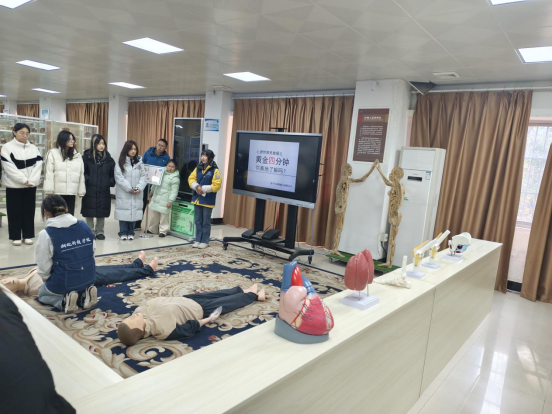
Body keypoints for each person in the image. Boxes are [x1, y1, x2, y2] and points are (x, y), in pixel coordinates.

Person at [117, 283, 266, 346]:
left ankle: (244, 290)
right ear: (139, 330)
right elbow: (189, 328)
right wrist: (208, 319)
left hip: (187, 300)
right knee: (228, 302)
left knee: (217, 293)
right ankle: (254, 296)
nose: (132, 316)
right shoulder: (162, 331)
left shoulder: (139, 313)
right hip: (199, 310)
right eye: (132, 320)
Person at [2, 250, 158, 298]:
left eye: (3, 280)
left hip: (75, 269)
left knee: (109, 268)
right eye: (5, 286)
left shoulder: (29, 274)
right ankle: (146, 270)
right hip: (79, 278)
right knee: (114, 275)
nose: (7, 281)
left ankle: (135, 265)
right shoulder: (33, 289)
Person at [34, 195, 97, 313]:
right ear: (66, 208)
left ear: (46, 212)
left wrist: (45, 277)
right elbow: (92, 252)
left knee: (42, 294)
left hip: (65, 281)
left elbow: (43, 263)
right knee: (78, 278)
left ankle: (64, 300)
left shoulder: (46, 233)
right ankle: (85, 294)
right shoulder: (84, 226)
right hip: (89, 276)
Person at [0, 123, 43, 246]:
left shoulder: (33, 148)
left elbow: (38, 165)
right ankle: (15, 236)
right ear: (14, 132)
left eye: (27, 133)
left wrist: (32, 180)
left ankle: (28, 235)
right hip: (14, 185)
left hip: (30, 186)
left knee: (29, 211)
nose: (25, 136)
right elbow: (9, 167)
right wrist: (23, 180)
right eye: (22, 133)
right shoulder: (7, 147)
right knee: (14, 211)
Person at [81, 134, 116, 240]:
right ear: (93, 144)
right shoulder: (86, 158)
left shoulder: (109, 159)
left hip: (103, 188)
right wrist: (88, 180)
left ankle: (100, 231)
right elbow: (83, 172)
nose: (101, 146)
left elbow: (112, 174)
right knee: (89, 210)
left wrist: (109, 182)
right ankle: (90, 231)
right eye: (99, 143)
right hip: (90, 188)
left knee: (102, 209)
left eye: (103, 143)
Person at [44, 130, 85, 216]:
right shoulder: (53, 153)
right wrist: (49, 190)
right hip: (58, 191)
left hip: (71, 191)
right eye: (69, 139)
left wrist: (81, 191)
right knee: (57, 215)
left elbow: (81, 174)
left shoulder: (77, 155)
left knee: (69, 215)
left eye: (73, 139)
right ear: (62, 140)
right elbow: (49, 172)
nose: (72, 141)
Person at [188, 149, 222, 249]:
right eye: (202, 155)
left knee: (206, 222)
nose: (203, 158)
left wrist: (203, 189)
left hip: (207, 200)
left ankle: (205, 241)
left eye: (205, 156)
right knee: (197, 221)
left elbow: (217, 185)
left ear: (210, 158)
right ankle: (198, 239)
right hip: (197, 199)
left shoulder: (215, 170)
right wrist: (196, 186)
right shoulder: (198, 168)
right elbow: (191, 178)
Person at [115, 140, 146, 240]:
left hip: (137, 192)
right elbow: (119, 178)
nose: (133, 151)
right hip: (124, 192)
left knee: (134, 211)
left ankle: (131, 232)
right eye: (131, 149)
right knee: (124, 212)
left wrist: (138, 188)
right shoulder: (120, 162)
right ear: (126, 149)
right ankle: (123, 232)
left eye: (135, 149)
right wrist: (129, 189)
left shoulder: (140, 163)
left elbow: (144, 177)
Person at [137, 138, 170, 229]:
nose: (159, 147)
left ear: (165, 148)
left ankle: (155, 226)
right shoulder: (148, 153)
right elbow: (141, 165)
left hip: (157, 184)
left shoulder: (166, 158)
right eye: (158, 145)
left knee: (158, 205)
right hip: (145, 182)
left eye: (162, 146)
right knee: (142, 203)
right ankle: (137, 224)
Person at [147, 159, 180, 237]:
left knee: (164, 216)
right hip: (156, 197)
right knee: (154, 215)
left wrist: (170, 201)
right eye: (169, 166)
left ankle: (163, 231)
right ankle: (152, 229)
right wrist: (151, 191)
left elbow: (174, 191)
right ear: (166, 166)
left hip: (165, 199)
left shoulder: (175, 178)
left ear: (175, 167)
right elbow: (155, 183)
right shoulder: (160, 173)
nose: (170, 168)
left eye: (172, 167)